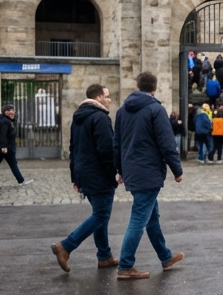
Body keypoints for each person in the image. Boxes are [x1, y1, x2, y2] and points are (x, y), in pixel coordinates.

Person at [113, 72, 184, 279]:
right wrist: (177, 170)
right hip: (149, 171)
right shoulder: (156, 109)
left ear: (137, 85)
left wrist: (120, 170)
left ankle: (165, 256)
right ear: (155, 88)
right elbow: (167, 143)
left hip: (132, 169)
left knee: (151, 216)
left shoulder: (122, 111)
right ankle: (125, 265)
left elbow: (116, 144)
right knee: (138, 218)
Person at [52, 84, 118, 271]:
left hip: (84, 173)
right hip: (98, 174)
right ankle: (66, 246)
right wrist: (115, 172)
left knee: (100, 215)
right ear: (97, 98)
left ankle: (104, 255)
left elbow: (74, 149)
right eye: (107, 96)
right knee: (101, 215)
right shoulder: (100, 117)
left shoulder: (78, 118)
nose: (109, 99)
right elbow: (106, 150)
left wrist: (75, 175)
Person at [0, 104, 31, 186]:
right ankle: (21, 181)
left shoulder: (3, 119)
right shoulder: (5, 122)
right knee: (12, 163)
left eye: (13, 111)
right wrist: (4, 146)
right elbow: (2, 135)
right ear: (5, 112)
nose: (12, 113)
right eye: (9, 111)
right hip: (6, 147)